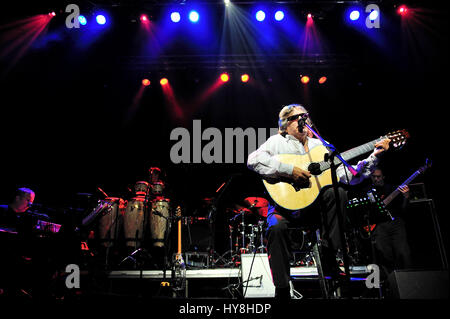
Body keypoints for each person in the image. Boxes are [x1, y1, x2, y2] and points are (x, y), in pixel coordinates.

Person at [247, 104, 391, 299]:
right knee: (275, 228)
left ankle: (329, 253)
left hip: (315, 209)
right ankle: (281, 288)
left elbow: (348, 176)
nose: (305, 120)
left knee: (338, 191)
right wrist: (290, 171)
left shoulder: (321, 146)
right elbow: (253, 160)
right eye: (299, 117)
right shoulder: (275, 142)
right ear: (286, 123)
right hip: (285, 208)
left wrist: (374, 156)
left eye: (306, 116)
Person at [358, 168, 412, 280]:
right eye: (374, 177)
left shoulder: (392, 189)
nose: (376, 179)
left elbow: (404, 209)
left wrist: (406, 197)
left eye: (379, 176)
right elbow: (362, 212)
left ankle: (408, 279)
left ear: (383, 177)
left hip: (396, 223)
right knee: (384, 254)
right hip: (379, 226)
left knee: (403, 252)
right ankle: (391, 282)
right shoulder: (367, 191)